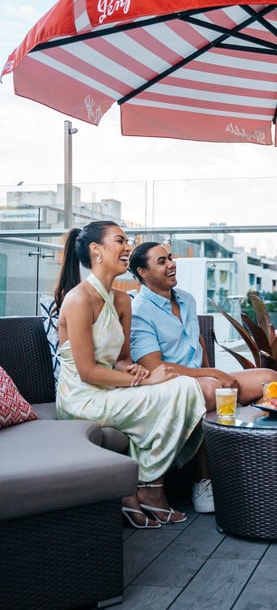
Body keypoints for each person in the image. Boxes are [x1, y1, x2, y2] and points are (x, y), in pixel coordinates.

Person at [54, 221, 207, 530]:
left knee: (185, 386)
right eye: (120, 241)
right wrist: (146, 379)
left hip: (109, 389)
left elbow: (121, 360)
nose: (127, 248)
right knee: (180, 389)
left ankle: (144, 487)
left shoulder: (122, 300)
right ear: (96, 250)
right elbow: (87, 372)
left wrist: (133, 368)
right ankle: (149, 488)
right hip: (82, 398)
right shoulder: (79, 299)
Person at [128, 241, 277, 513]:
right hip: (170, 384)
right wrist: (212, 373)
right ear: (142, 272)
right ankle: (203, 479)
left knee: (271, 378)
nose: (171, 264)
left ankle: (262, 464)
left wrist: (211, 370)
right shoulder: (139, 310)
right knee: (211, 390)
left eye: (170, 258)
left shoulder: (186, 298)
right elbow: (154, 366)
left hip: (202, 377)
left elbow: (196, 340)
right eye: (161, 261)